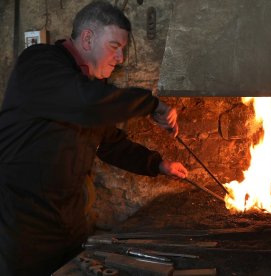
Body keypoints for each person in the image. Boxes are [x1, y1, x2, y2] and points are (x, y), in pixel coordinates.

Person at [0, 1, 188, 275]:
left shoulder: (89, 87)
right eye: (115, 47)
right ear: (88, 38)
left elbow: (110, 143)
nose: (120, 58)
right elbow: (87, 105)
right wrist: (150, 104)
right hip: (22, 223)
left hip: (69, 219)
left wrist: (158, 165)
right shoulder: (40, 63)